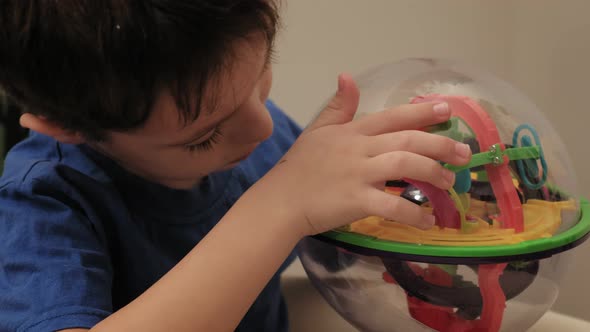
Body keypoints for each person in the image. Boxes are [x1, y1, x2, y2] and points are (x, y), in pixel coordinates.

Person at [0, 1, 471, 331]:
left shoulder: (248, 135)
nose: (264, 129)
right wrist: (278, 206)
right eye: (204, 135)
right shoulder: (46, 203)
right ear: (64, 127)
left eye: (261, 76)